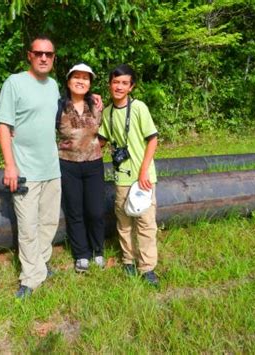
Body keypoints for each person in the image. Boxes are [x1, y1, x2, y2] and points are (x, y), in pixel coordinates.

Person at [0, 35, 61, 299]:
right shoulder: (15, 83)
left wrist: (94, 100)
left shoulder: (54, 85)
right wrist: (10, 165)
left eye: (49, 54)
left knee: (48, 222)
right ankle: (30, 278)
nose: (44, 58)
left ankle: (41, 265)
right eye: (39, 53)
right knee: (28, 225)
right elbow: (3, 125)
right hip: (25, 170)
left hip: (51, 168)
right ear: (29, 56)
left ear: (54, 58)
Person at [98, 64, 160, 286]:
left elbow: (152, 139)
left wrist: (144, 171)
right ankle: (128, 261)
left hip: (142, 177)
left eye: (125, 83)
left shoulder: (139, 108)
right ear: (109, 85)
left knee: (145, 223)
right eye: (116, 82)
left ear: (131, 87)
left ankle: (147, 268)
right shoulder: (107, 112)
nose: (119, 87)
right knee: (124, 222)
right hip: (121, 178)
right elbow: (101, 141)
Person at [57, 63, 105, 273]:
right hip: (67, 164)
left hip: (94, 163)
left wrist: (93, 147)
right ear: (68, 82)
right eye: (76, 77)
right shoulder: (58, 106)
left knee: (95, 210)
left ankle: (98, 250)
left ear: (90, 83)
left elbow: (104, 131)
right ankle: (81, 255)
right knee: (75, 211)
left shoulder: (95, 104)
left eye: (85, 78)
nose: (80, 81)